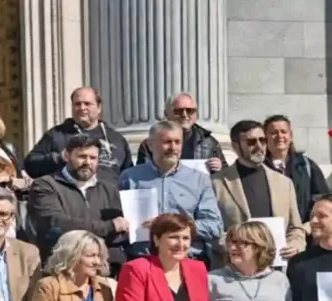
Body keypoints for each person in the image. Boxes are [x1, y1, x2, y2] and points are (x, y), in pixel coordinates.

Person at [119, 121, 223, 264]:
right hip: (143, 261)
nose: (173, 147)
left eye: (177, 142)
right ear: (150, 145)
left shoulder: (199, 180)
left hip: (187, 260)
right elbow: (118, 221)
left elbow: (215, 226)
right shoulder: (130, 177)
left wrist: (172, 226)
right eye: (166, 142)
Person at [211, 120, 306, 268]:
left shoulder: (284, 183)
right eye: (251, 142)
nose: (259, 146)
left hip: (275, 269)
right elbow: (212, 231)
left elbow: (296, 228)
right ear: (235, 146)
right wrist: (237, 248)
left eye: (262, 140)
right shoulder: (216, 183)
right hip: (233, 270)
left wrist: (295, 245)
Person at [28, 134, 128, 268]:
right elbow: (55, 224)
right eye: (82, 156)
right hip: (63, 266)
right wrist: (109, 227)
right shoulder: (45, 186)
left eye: (93, 158)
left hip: (104, 267)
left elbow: (123, 228)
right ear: (66, 156)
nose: (87, 162)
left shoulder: (109, 189)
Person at [25, 86, 133, 182]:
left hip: (109, 195)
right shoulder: (57, 135)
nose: (82, 108)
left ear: (99, 107)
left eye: (87, 104)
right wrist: (58, 158)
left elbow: (128, 173)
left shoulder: (116, 139)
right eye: (77, 104)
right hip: (69, 195)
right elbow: (30, 165)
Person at [261, 114, 330, 224]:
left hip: (304, 229)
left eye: (284, 132)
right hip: (269, 229)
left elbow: (323, 198)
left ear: (290, 135)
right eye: (273, 133)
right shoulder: (258, 167)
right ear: (265, 137)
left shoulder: (306, 165)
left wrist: (310, 224)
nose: (279, 136)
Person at [137, 93, 227, 173]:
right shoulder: (150, 144)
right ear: (166, 114)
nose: (184, 115)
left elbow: (225, 174)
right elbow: (142, 174)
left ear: (196, 114)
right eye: (179, 111)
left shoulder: (209, 142)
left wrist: (219, 167)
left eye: (190, 111)